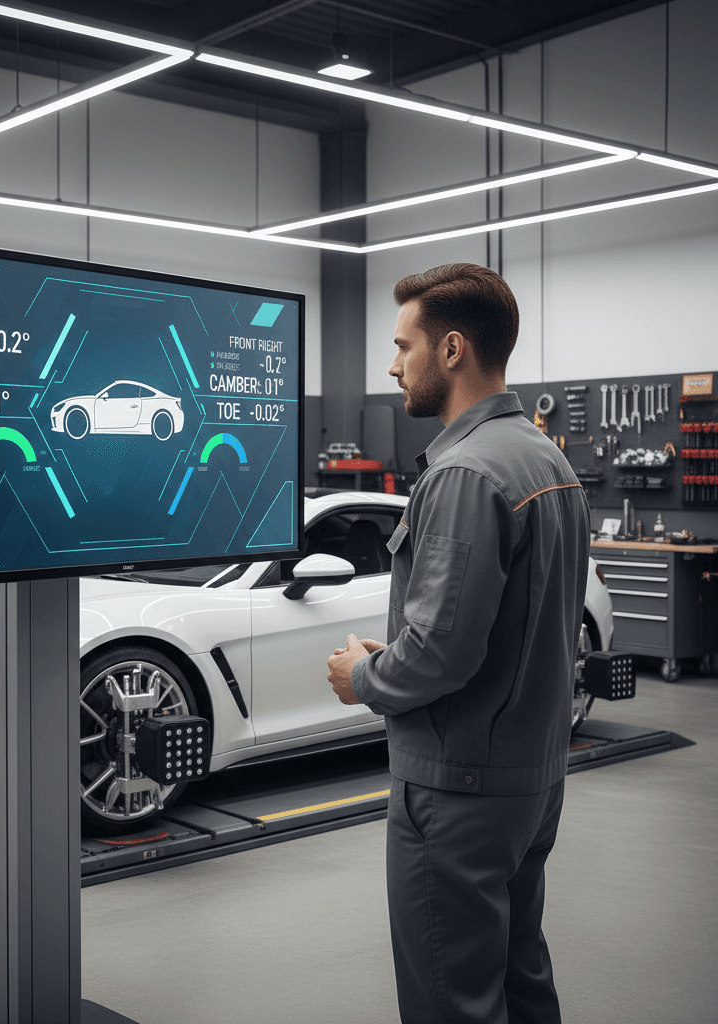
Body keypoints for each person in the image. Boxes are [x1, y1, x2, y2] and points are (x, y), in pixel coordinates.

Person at [326, 263, 590, 1024]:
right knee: (519, 976)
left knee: (453, 999)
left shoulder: (465, 472)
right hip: (529, 779)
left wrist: (366, 675)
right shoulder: (545, 458)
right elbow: (496, 623)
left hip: (458, 786)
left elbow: (442, 655)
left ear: (450, 350)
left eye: (402, 345)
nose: (390, 364)